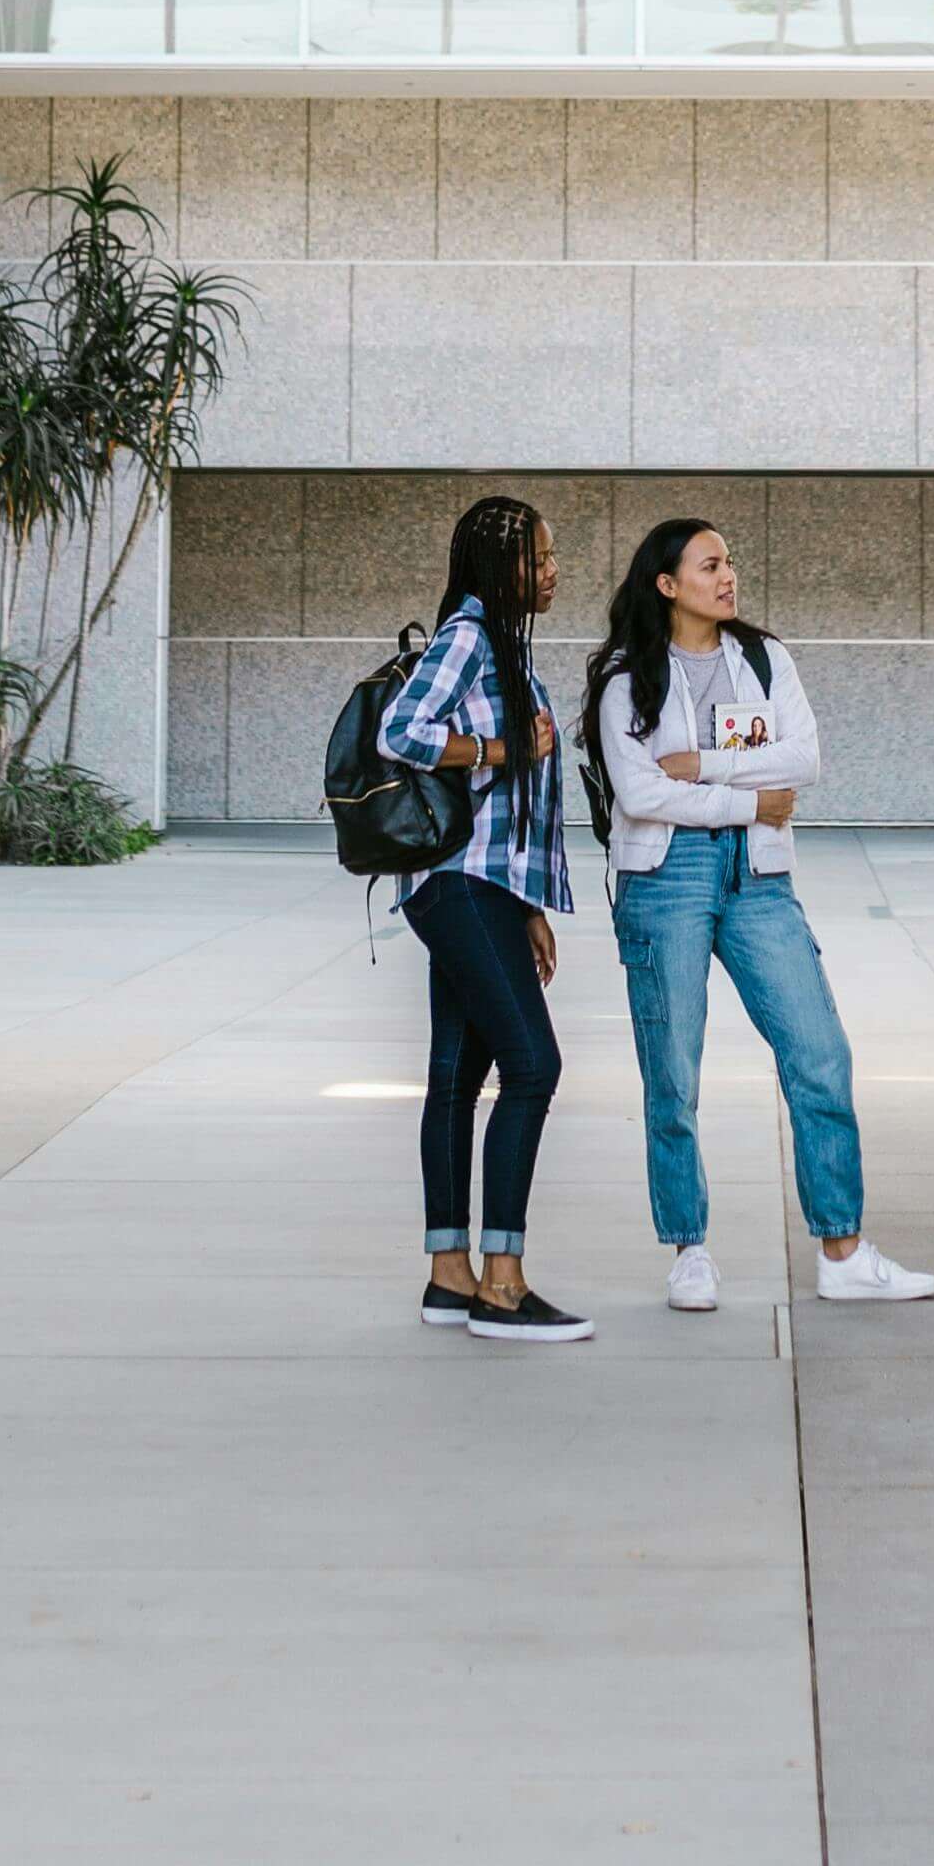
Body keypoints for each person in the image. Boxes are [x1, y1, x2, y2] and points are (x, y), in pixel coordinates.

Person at [587, 518, 934, 1315]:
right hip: (664, 878)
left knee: (819, 1052)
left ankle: (843, 1250)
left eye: (731, 562)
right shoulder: (625, 676)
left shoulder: (762, 657)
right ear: (667, 584)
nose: (728, 575)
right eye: (709, 565)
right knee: (672, 1074)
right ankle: (689, 1251)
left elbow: (804, 758)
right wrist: (753, 798)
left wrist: (706, 768)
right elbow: (640, 794)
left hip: (759, 877)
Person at [378, 494, 591, 1344]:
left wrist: (529, 904)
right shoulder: (468, 640)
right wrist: (505, 750)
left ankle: (447, 1275)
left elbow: (520, 808)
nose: (550, 571)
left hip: (486, 886)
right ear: (500, 567)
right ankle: (502, 1285)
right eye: (538, 558)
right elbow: (402, 731)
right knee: (533, 1066)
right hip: (458, 882)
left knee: (459, 1081)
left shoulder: (502, 646)